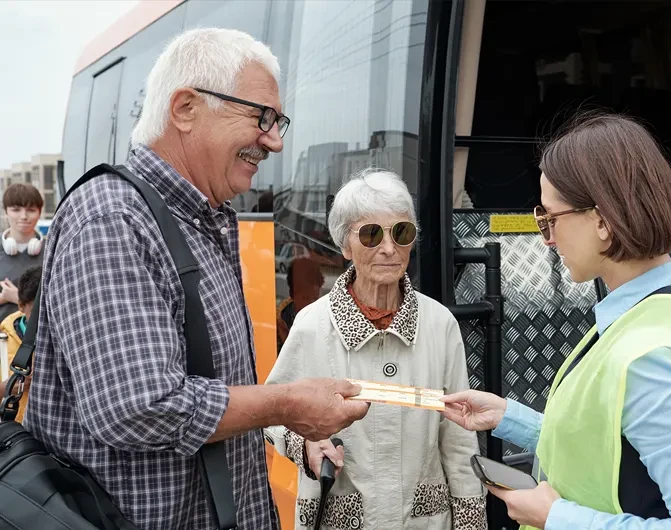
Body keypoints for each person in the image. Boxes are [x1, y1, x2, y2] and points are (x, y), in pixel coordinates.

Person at [24, 27, 368, 530]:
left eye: (279, 122)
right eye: (262, 117)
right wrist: (287, 405)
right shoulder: (113, 218)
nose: (273, 141)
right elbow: (138, 407)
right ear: (185, 108)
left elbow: (214, 392)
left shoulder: (203, 217)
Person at [441, 113, 671, 530]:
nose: (546, 239)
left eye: (550, 219)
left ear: (603, 221)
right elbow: (617, 445)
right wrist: (510, 417)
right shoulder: (663, 304)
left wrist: (554, 516)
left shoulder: (651, 359)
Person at [266, 168, 487, 529]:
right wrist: (305, 445)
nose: (389, 248)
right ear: (344, 245)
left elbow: (459, 441)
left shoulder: (439, 323)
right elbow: (274, 414)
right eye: (371, 234)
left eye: (402, 233)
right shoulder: (312, 325)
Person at [0, 264, 42, 420]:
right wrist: (5, 388)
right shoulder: (3, 341)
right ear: (21, 306)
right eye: (38, 312)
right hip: (13, 437)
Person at [0, 184, 45, 323]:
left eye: (31, 210)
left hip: (36, 340)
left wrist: (17, 298)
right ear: (6, 212)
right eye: (16, 210)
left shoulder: (53, 252)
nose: (24, 216)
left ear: (39, 212)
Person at [276, 257, 324, 353]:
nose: (310, 304)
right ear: (293, 294)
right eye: (305, 297)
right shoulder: (282, 319)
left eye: (314, 298)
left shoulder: (325, 314)